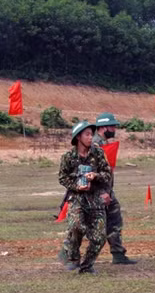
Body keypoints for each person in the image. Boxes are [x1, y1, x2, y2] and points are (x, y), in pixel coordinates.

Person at [58, 121, 112, 274]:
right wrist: (76, 186)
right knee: (76, 226)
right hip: (77, 198)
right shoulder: (68, 157)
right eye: (87, 135)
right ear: (78, 137)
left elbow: (107, 175)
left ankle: (87, 266)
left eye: (91, 134)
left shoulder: (98, 153)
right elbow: (62, 178)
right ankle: (73, 256)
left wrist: (95, 176)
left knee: (100, 237)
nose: (90, 138)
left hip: (95, 199)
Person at [91, 112, 136, 265]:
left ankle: (118, 254)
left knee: (114, 220)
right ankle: (71, 254)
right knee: (89, 226)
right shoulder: (95, 145)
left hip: (107, 190)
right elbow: (93, 171)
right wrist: (102, 192)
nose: (114, 129)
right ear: (103, 127)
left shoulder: (103, 143)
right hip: (97, 192)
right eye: (112, 126)